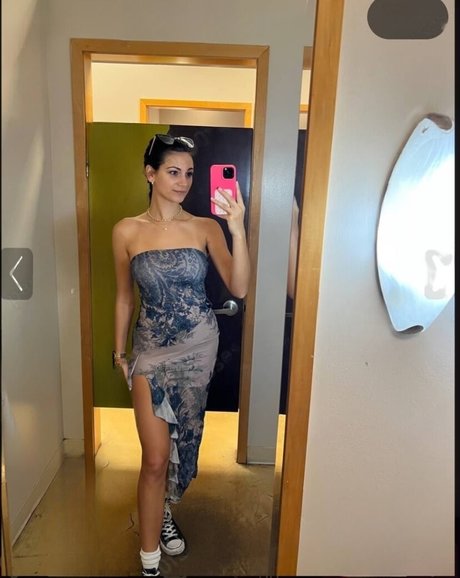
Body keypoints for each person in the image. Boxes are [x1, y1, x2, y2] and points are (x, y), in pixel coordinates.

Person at [111, 133, 250, 577]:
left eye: (189, 173)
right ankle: (150, 563)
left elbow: (239, 287)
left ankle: (165, 508)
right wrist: (119, 352)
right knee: (153, 458)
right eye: (173, 172)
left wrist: (237, 227)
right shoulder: (126, 230)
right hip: (150, 350)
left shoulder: (206, 227)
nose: (183, 181)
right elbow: (124, 297)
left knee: (182, 441)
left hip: (198, 349)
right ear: (150, 174)